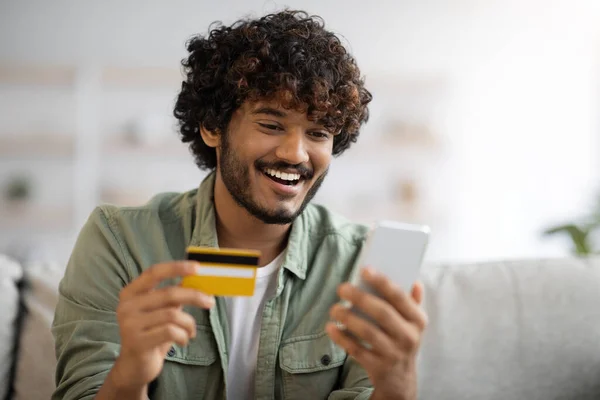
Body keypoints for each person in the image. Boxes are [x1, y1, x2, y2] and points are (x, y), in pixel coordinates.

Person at [52, 10, 428, 400]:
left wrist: (397, 384)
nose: (295, 153)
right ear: (213, 127)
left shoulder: (360, 264)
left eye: (317, 133)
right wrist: (128, 378)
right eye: (271, 125)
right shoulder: (119, 242)